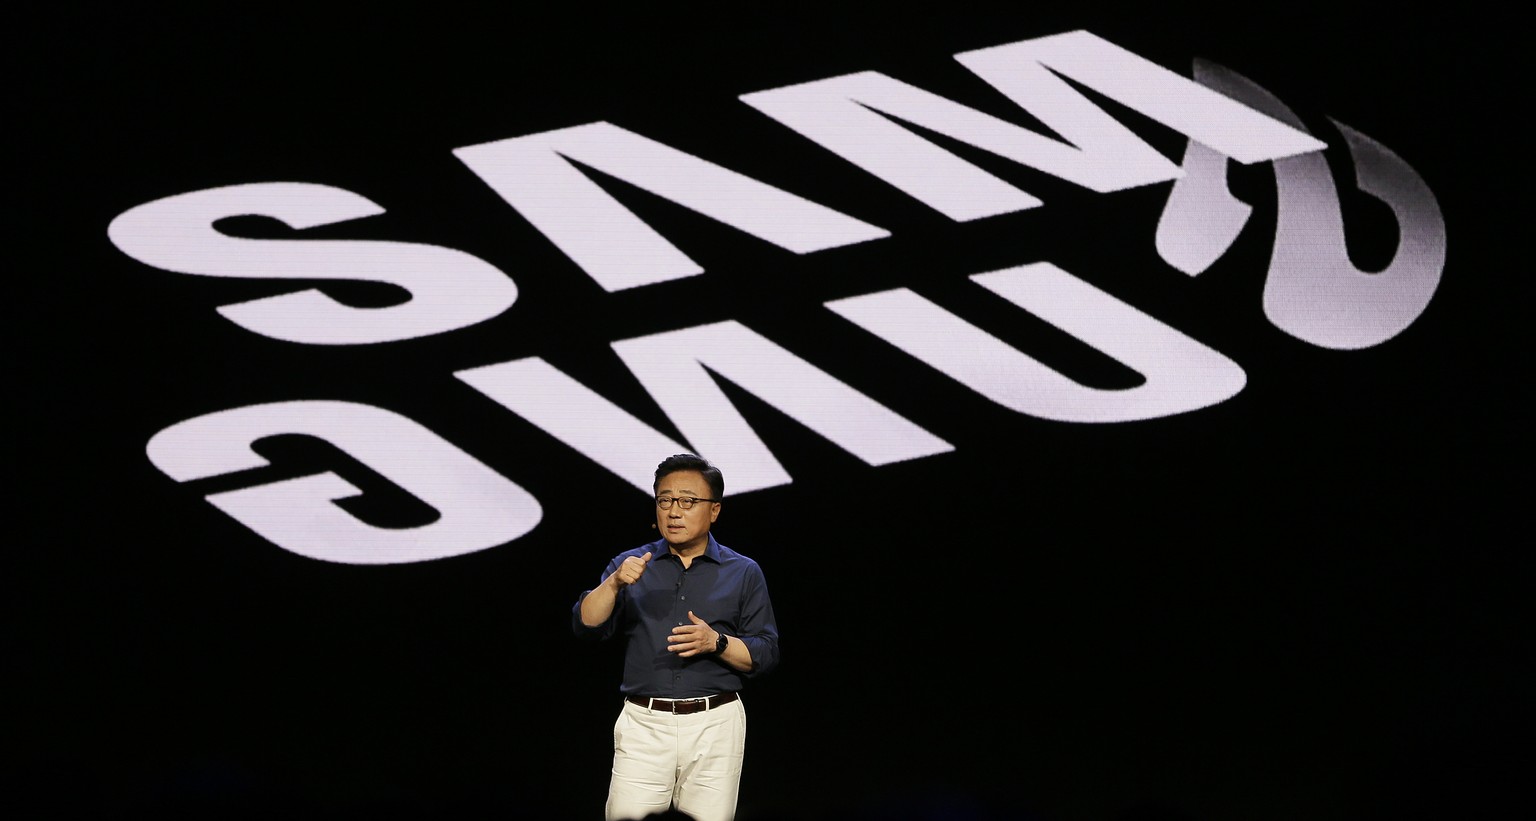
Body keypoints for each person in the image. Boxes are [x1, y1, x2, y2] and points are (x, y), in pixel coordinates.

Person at [573, 453, 781, 821]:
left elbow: (764, 653)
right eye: (664, 500)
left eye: (687, 501)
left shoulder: (743, 571)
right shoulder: (631, 565)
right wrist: (614, 582)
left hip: (716, 723)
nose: (673, 511)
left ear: (714, 510)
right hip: (644, 724)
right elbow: (585, 625)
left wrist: (714, 642)